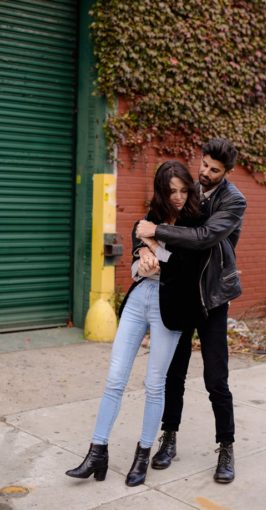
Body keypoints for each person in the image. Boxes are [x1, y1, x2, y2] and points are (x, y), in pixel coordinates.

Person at [66, 161, 204, 486]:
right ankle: (97, 451)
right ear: (161, 191)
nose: (179, 197)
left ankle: (142, 455)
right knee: (114, 378)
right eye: (172, 191)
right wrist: (142, 262)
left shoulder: (195, 225)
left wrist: (156, 248)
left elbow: (187, 273)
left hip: (170, 308)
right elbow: (133, 266)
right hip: (139, 299)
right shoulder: (146, 221)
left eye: (184, 190)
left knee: (155, 384)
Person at [134, 138, 247, 483]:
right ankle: (169, 438)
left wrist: (157, 232)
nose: (206, 173)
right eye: (204, 165)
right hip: (182, 294)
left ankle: (226, 447)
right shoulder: (189, 189)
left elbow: (202, 237)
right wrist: (143, 246)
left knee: (216, 378)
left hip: (212, 298)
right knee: (174, 374)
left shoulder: (234, 201)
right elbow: (148, 222)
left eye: (215, 170)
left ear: (227, 171)